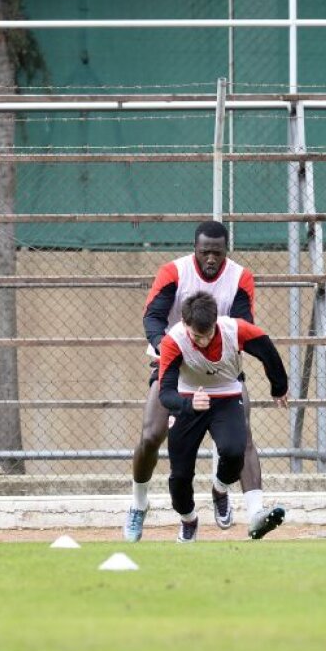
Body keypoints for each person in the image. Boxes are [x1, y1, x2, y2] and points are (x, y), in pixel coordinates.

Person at [124, 220, 286, 542]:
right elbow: (153, 316)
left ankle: (249, 508)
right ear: (194, 250)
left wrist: (277, 383)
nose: (210, 259)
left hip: (223, 370)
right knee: (151, 434)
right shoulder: (174, 272)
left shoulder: (240, 278)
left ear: (226, 250)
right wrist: (171, 348)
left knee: (242, 440)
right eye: (204, 252)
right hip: (177, 367)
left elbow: (245, 326)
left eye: (217, 253)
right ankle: (138, 504)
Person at [157, 292, 289, 542]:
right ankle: (188, 520)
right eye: (197, 336)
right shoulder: (173, 341)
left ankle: (220, 489)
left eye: (207, 335)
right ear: (185, 325)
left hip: (227, 395)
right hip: (189, 399)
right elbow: (165, 393)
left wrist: (279, 386)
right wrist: (187, 403)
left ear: (216, 322)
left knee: (234, 450)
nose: (203, 341)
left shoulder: (234, 330)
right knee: (180, 476)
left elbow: (267, 349)